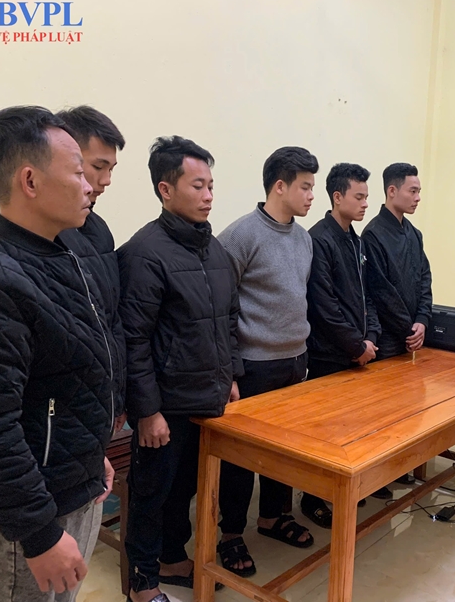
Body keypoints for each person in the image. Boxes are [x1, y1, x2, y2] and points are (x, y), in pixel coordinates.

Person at [0, 106, 120, 602]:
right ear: (29, 180)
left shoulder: (58, 253)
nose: (90, 186)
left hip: (72, 484)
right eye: (78, 172)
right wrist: (39, 533)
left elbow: (68, 377)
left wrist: (90, 455)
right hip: (25, 516)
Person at [119, 136, 242, 602]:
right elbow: (133, 340)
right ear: (165, 189)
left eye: (211, 185)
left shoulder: (214, 250)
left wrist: (230, 375)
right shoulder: (144, 253)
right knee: (151, 494)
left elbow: (228, 320)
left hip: (206, 396)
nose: (208, 195)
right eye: (197, 186)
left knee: (184, 489)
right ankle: (143, 585)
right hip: (164, 405)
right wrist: (147, 411)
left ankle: (171, 558)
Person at [216, 146, 318, 576]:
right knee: (241, 458)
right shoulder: (240, 236)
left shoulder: (304, 238)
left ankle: (273, 517)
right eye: (305, 187)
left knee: (285, 451)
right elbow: (221, 308)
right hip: (253, 364)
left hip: (295, 360)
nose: (312, 195)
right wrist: (230, 370)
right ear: (280, 186)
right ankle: (230, 533)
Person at [303, 162, 381, 525]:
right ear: (338, 197)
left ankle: (344, 491)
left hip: (358, 351)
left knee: (351, 431)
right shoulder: (319, 239)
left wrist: (371, 337)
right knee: (324, 435)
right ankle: (312, 497)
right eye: (359, 196)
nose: (365, 204)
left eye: (366, 196)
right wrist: (356, 346)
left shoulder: (356, 240)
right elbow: (324, 304)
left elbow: (366, 297)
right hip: (329, 354)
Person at [362, 162, 433, 498]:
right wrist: (408, 328)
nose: (417, 197)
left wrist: (423, 320)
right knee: (380, 414)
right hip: (389, 338)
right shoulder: (373, 235)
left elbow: (424, 280)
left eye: (418, 191)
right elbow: (380, 291)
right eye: (412, 191)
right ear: (392, 191)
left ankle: (396, 467)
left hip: (411, 335)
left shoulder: (414, 235)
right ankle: (375, 478)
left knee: (406, 411)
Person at [56, 106, 128, 433]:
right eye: (98, 167)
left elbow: (112, 321)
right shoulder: (46, 233)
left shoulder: (98, 229)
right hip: (60, 416)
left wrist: (118, 398)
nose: (106, 181)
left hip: (101, 405)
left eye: (111, 169)